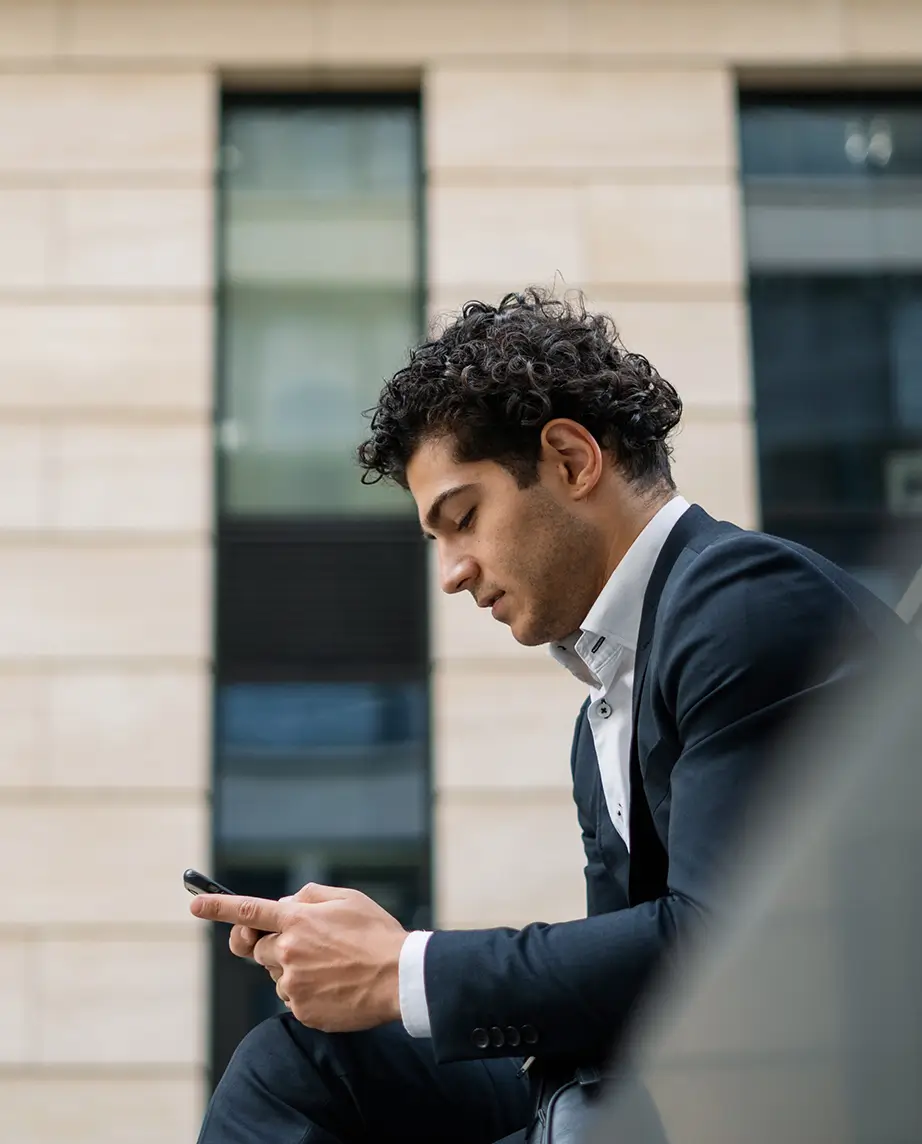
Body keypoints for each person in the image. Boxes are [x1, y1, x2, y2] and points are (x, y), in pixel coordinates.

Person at [192, 290, 906, 1143]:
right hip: (642, 1087)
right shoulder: (603, 707)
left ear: (570, 460)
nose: (453, 572)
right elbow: (622, 982)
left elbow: (727, 946)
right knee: (301, 1061)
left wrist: (402, 969)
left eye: (464, 519)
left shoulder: (743, 601)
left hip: (789, 1095)